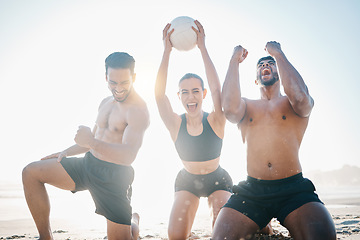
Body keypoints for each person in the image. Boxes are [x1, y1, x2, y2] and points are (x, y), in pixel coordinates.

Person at [212, 42, 336, 240]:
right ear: (255, 80)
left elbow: (301, 98)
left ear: (280, 72)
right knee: (222, 238)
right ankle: (262, 223)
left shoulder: (293, 104)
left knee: (322, 236)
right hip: (252, 191)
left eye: (270, 64)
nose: (265, 66)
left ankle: (264, 224)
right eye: (260, 65)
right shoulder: (247, 106)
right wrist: (234, 61)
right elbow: (229, 109)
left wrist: (278, 54)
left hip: (293, 189)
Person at [22, 52, 150, 240]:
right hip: (88, 165)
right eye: (113, 83)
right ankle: (45, 237)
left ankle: (134, 223)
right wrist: (66, 152)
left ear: (134, 78)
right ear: (106, 77)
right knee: (30, 173)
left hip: (113, 178)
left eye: (124, 83)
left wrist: (90, 142)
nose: (119, 89)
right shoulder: (105, 102)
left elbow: (128, 155)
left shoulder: (138, 110)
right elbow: (93, 140)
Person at [155, 20, 233, 239]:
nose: (191, 97)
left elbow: (217, 88)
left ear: (203, 94)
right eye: (185, 92)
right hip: (187, 181)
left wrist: (203, 48)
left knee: (223, 233)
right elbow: (159, 95)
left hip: (218, 180)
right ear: (179, 96)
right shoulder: (175, 123)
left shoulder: (217, 120)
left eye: (196, 91)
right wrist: (166, 52)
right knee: (175, 236)